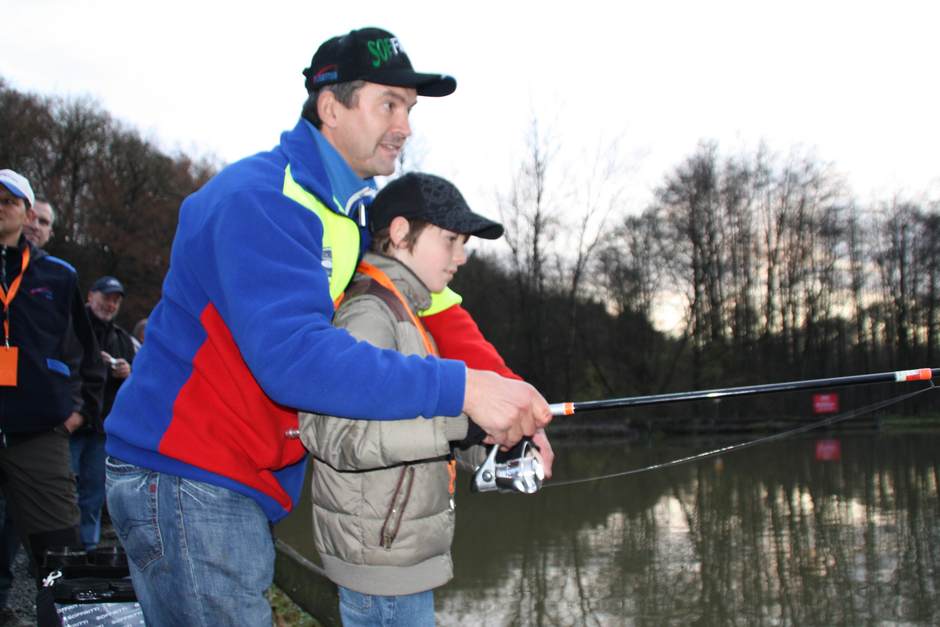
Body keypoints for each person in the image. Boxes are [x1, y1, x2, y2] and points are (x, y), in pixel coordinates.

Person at [104, 27, 552, 625]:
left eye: (410, 109)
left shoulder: (346, 213)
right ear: (330, 106)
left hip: (229, 480)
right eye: (388, 104)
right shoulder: (263, 199)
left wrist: (515, 401)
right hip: (189, 474)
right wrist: (467, 391)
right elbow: (294, 357)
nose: (406, 126)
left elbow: (432, 303)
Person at [300, 172, 515, 626]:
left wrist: (490, 443)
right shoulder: (369, 314)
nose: (462, 256)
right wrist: (464, 423)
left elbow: (417, 425)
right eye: (451, 239)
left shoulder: (406, 314)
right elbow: (336, 435)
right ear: (400, 233)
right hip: (382, 570)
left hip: (399, 561)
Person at [0, 169, 105, 576]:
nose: (2, 208)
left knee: (59, 556)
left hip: (38, 431)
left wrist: (79, 411)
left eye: (11, 201)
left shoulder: (58, 276)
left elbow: (85, 352)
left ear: (28, 214)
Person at [70, 276, 135, 551]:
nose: (111, 304)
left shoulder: (121, 337)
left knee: (93, 495)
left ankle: (88, 549)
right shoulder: (71, 326)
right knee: (61, 491)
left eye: (116, 300)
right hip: (70, 423)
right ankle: (55, 550)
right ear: (90, 295)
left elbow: (136, 383)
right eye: (107, 297)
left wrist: (127, 372)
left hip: (102, 429)